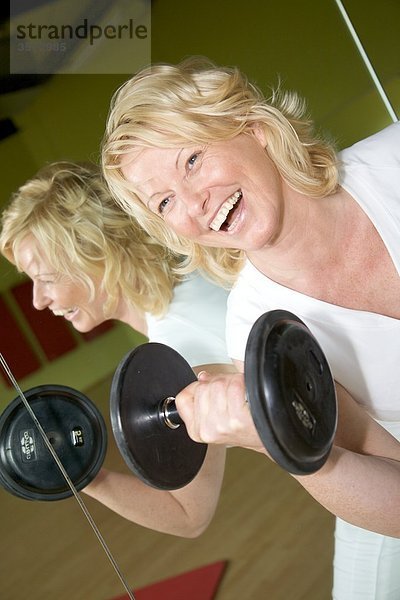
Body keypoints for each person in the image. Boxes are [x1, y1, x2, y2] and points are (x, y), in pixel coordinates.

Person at [100, 57, 400, 598]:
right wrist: (275, 437)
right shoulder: (256, 334)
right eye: (164, 201)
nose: (193, 204)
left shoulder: (393, 161)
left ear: (253, 128)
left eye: (191, 159)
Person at [0, 160, 235, 538]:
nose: (38, 301)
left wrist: (82, 473)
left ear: (98, 256)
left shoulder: (178, 348)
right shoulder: (192, 276)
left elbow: (188, 514)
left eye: (46, 280)